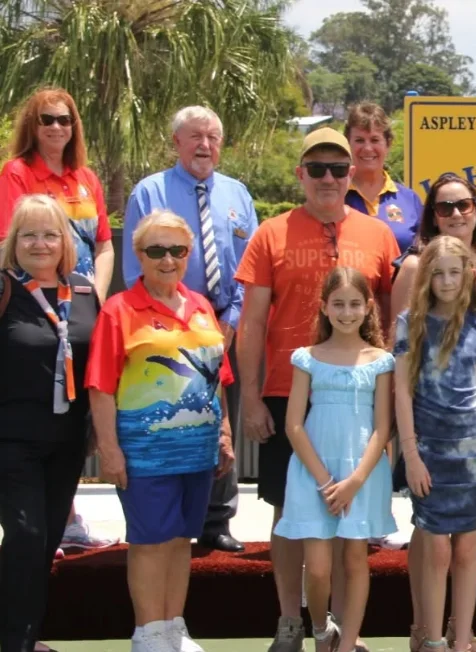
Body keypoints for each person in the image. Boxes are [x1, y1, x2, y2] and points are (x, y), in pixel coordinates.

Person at [235, 126, 400, 652]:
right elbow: (252, 323)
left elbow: (391, 320)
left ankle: (343, 634)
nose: (327, 178)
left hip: (357, 402)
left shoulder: (379, 234)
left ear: (354, 174)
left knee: (352, 529)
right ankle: (291, 621)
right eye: (316, 168)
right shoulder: (271, 233)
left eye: (338, 168)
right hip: (291, 395)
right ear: (300, 174)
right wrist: (252, 396)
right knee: (288, 514)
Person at [85, 210, 235, 652]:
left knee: (180, 540)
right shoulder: (119, 310)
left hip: (198, 450)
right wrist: (109, 450)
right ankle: (148, 634)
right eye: (156, 250)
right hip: (145, 452)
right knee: (150, 541)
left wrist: (224, 432)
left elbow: (217, 378)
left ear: (188, 254)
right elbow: (99, 386)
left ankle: (173, 628)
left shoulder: (202, 306)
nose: (167, 259)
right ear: (138, 255)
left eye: (177, 250)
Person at [391, 174, 476, 652]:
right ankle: (425, 633)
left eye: (463, 204)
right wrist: (409, 451)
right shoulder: (412, 315)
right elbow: (400, 385)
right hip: (427, 447)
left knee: (466, 545)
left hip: (473, 450)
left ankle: (461, 636)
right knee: (432, 544)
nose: (455, 212)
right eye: (445, 207)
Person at [123, 105, 258, 553]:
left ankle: (218, 519)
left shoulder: (238, 194)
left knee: (221, 424)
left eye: (213, 137)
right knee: (175, 421)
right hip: (167, 331)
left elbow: (252, 270)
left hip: (225, 327)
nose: (205, 145)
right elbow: (133, 270)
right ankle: (175, 516)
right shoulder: (150, 192)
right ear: (177, 142)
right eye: (195, 136)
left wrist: (231, 322)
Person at [0, 86, 117, 557]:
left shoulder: (86, 178)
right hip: (33, 301)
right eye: (46, 119)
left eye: (64, 120)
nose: (55, 128)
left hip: (79, 304)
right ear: (32, 124)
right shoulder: (16, 173)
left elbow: (105, 245)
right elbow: (14, 239)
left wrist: (97, 297)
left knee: (75, 413)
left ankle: (66, 519)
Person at [274, 267, 398, 652]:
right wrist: (326, 482)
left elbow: (382, 428)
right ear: (324, 308)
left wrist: (356, 481)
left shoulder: (381, 360)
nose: (347, 312)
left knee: (356, 558)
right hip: (314, 476)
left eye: (355, 304)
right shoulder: (307, 358)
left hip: (362, 473)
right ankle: (321, 629)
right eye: (339, 304)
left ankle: (345, 646)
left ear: (368, 307)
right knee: (320, 566)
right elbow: (294, 425)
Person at [0, 195, 99, 652]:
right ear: (13, 242)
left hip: (67, 441)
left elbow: (99, 365)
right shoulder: (3, 288)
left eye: (50, 234)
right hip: (11, 439)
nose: (40, 244)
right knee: (26, 535)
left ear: (65, 241)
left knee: (45, 544)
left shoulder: (82, 291)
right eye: (29, 234)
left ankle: (24, 635)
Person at [344, 101, 423, 253]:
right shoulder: (336, 197)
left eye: (375, 140)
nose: (367, 148)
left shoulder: (410, 200)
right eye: (359, 140)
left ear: (388, 143)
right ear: (347, 144)